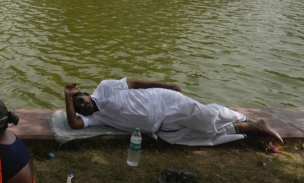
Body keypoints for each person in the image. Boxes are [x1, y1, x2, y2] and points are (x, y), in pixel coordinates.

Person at [63, 79, 283, 146]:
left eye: (81, 100)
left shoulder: (105, 87)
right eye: (79, 106)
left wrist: (167, 86)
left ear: (88, 94)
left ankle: (249, 122)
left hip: (165, 102)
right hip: (162, 128)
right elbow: (74, 124)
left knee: (206, 118)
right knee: (206, 136)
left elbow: (137, 83)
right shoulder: (95, 118)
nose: (82, 106)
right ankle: (255, 127)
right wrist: (67, 98)